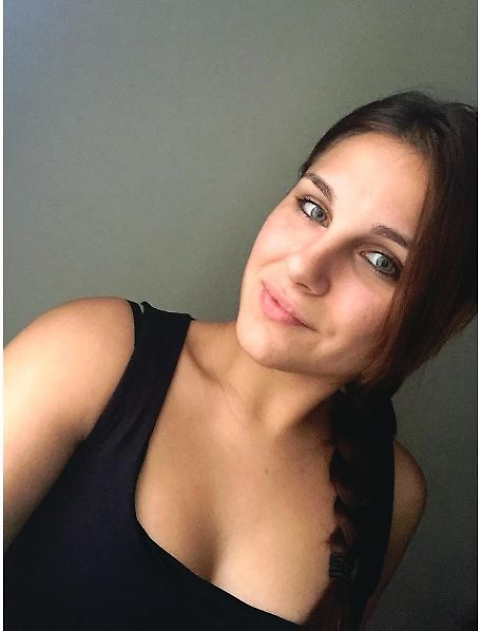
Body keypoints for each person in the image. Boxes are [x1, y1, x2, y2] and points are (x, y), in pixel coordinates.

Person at [4, 91, 477, 631]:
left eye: (379, 260)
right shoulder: (91, 352)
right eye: (314, 209)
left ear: (440, 319)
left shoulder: (393, 496)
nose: (304, 267)